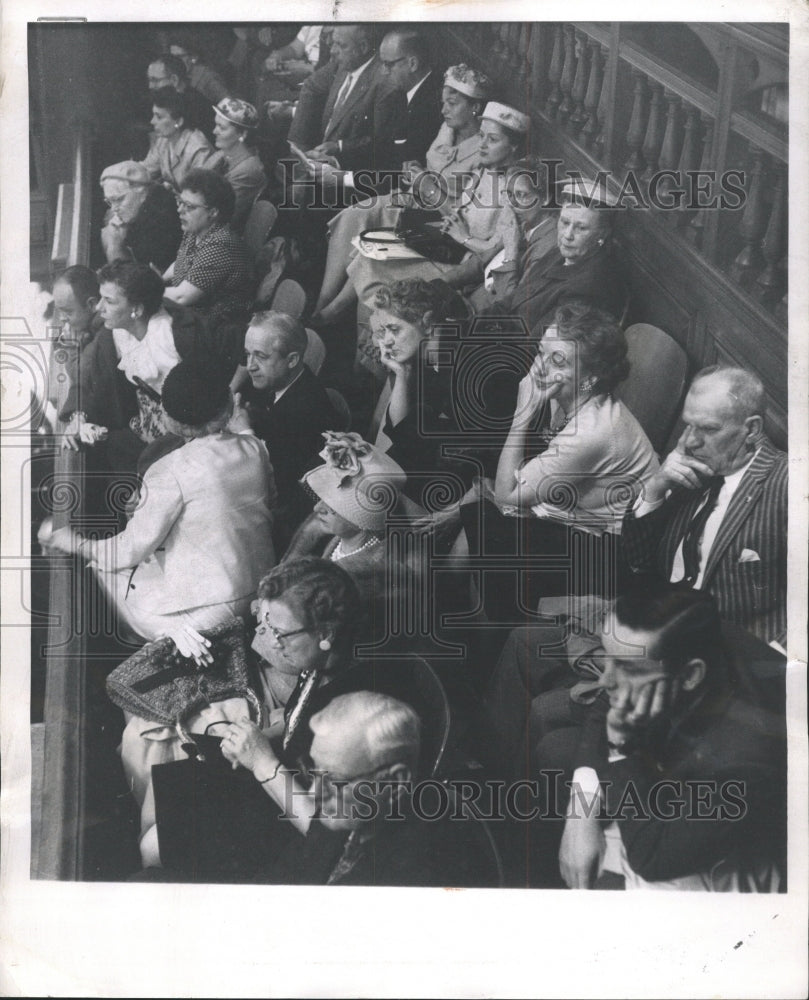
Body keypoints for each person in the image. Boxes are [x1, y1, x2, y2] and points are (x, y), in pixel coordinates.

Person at [538, 585, 786, 891]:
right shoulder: (691, 631)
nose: (605, 679)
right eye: (609, 657)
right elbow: (606, 701)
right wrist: (580, 814)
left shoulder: (750, 750)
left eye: (627, 667)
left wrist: (620, 746)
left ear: (690, 675)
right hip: (675, 782)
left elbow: (655, 858)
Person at [458, 299, 659, 620]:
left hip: (609, 555)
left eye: (558, 360)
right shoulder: (568, 398)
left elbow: (507, 493)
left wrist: (522, 415)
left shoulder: (593, 430)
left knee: (485, 525)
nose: (540, 368)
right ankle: (465, 614)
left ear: (590, 378)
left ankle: (490, 637)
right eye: (541, 352)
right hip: (577, 518)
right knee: (479, 517)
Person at [221, 690, 501, 887]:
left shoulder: (415, 878)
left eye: (334, 780)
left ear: (395, 782)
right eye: (314, 770)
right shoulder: (358, 816)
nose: (312, 794)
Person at [342, 100, 528, 372]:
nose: (482, 145)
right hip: (446, 245)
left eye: (493, 139)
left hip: (463, 264)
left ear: (513, 147)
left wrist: (463, 236)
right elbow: (460, 213)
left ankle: (371, 367)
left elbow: (496, 251)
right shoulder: (484, 169)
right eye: (482, 137)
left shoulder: (514, 189)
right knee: (369, 259)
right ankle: (364, 361)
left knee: (375, 275)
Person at [310, 61, 491, 326]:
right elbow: (432, 166)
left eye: (452, 104)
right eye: (443, 102)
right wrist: (416, 170)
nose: (444, 110)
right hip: (414, 202)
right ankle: (323, 300)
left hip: (438, 224)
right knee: (354, 214)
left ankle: (331, 312)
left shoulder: (483, 153)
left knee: (372, 245)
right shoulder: (447, 129)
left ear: (475, 107)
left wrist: (425, 185)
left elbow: (460, 215)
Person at [621, 365, 787, 646]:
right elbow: (638, 561)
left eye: (709, 428)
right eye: (689, 424)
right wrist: (656, 486)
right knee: (525, 642)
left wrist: (758, 665)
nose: (690, 441)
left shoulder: (788, 484)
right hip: (656, 620)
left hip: (721, 651)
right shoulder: (693, 461)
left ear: (751, 429)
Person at [284, 432, 418, 643]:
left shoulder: (371, 580)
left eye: (333, 506)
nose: (317, 507)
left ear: (362, 519)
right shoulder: (340, 539)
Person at [233, 311, 337, 544]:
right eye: (248, 354)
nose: (250, 366)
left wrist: (244, 432)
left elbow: (272, 484)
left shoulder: (304, 410)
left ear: (291, 360)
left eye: (260, 356)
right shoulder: (284, 381)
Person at [509, 176, 628, 334]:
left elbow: (537, 345)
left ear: (603, 234)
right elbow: (511, 301)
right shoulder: (560, 253)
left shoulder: (589, 288)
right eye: (565, 222)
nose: (567, 235)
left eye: (581, 228)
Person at [163, 168, 254, 329]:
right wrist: (158, 280)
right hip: (191, 316)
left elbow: (181, 298)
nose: (180, 210)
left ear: (212, 212)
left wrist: (143, 290)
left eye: (189, 206)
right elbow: (179, 264)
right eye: (180, 202)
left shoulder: (220, 244)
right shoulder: (195, 230)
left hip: (214, 327)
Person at [99, 160, 182, 272]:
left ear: (142, 192)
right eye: (109, 201)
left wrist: (115, 244)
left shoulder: (162, 220)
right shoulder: (137, 209)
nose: (114, 208)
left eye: (119, 199)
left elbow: (133, 283)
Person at [136, 87, 221, 193]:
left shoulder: (199, 149)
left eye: (159, 117)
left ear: (179, 122)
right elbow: (145, 170)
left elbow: (198, 194)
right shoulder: (163, 140)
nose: (152, 121)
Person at [211, 97, 267, 232]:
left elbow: (222, 216)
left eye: (222, 128)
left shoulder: (249, 170)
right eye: (215, 125)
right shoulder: (220, 155)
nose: (214, 131)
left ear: (242, 134)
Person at [146, 53, 216, 137]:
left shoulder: (194, 106)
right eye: (149, 80)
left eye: (155, 80)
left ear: (174, 80)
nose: (150, 86)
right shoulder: (167, 102)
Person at [168, 36, 229, 104]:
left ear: (193, 57)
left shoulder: (208, 77)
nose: (173, 61)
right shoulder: (173, 76)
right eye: (171, 57)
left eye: (179, 57)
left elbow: (228, 104)